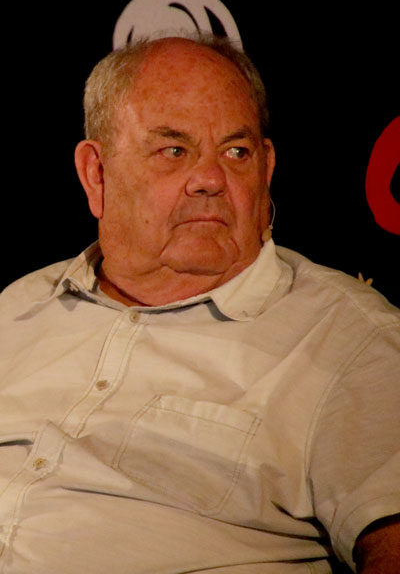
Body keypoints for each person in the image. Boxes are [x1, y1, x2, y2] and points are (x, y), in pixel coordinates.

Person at [0, 34, 399, 574]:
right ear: (96, 173)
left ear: (266, 170)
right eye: (174, 151)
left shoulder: (350, 340)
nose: (211, 179)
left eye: (236, 152)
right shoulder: (16, 309)